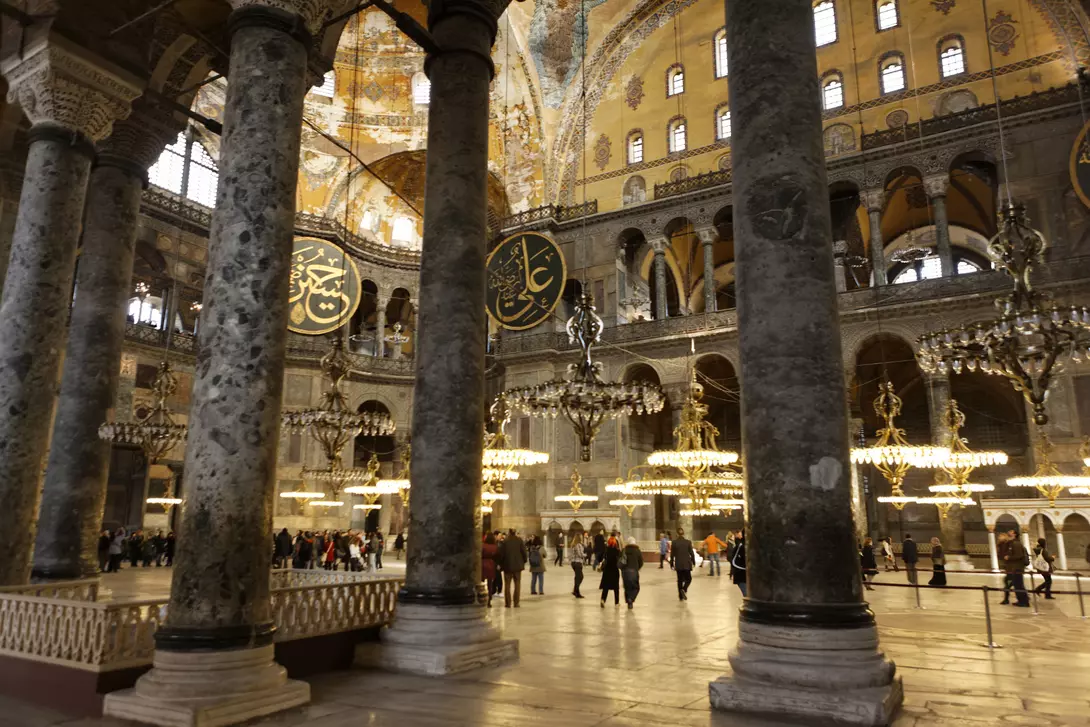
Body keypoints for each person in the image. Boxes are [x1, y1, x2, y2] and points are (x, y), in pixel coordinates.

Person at [498, 528, 527, 608]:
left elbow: (501, 555)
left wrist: (501, 564)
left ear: (509, 532)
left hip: (507, 566)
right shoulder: (519, 540)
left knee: (507, 585)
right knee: (517, 585)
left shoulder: (505, 541)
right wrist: (523, 561)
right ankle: (516, 603)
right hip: (518, 566)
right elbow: (524, 552)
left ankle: (508, 603)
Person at [1004, 530, 1031, 607]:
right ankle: (1021, 600)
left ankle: (1024, 602)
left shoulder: (1016, 544)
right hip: (1014, 568)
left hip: (1017, 568)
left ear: (1015, 534)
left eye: (1011, 531)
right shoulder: (1012, 543)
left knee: (1019, 585)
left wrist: (1009, 557)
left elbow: (1019, 555)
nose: (1009, 532)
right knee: (1017, 585)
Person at [671, 528, 696, 601]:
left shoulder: (674, 542)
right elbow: (691, 553)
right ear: (683, 533)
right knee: (689, 579)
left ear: (677, 534)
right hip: (686, 563)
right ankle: (684, 589)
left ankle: (680, 596)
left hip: (678, 563)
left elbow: (672, 554)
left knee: (679, 580)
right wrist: (693, 562)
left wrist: (671, 563)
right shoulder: (688, 542)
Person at [621, 537, 644, 609]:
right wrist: (637, 568)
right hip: (634, 571)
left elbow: (621, 560)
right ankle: (631, 599)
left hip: (625, 572)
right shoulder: (637, 551)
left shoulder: (624, 550)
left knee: (627, 588)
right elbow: (641, 562)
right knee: (636, 587)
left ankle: (629, 602)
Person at [599, 536, 621, 607]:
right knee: (616, 588)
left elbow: (600, 558)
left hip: (607, 570)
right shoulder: (617, 551)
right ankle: (617, 603)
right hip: (614, 570)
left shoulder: (606, 550)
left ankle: (603, 600)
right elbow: (620, 560)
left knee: (606, 587)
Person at [481, 533, 499, 607]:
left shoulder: (483, 546)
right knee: (490, 584)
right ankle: (489, 600)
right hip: (491, 564)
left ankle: (481, 598)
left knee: (481, 582)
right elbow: (497, 556)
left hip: (483, 563)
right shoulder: (495, 547)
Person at [730, 531, 746, 596]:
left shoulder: (744, 545)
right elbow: (733, 561)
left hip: (745, 576)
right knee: (747, 596)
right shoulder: (741, 546)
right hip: (742, 575)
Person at [570, 534, 585, 598]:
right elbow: (580, 554)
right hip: (577, 562)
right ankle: (575, 590)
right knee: (581, 577)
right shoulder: (578, 545)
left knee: (577, 577)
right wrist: (585, 555)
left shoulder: (574, 544)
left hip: (574, 562)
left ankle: (577, 593)